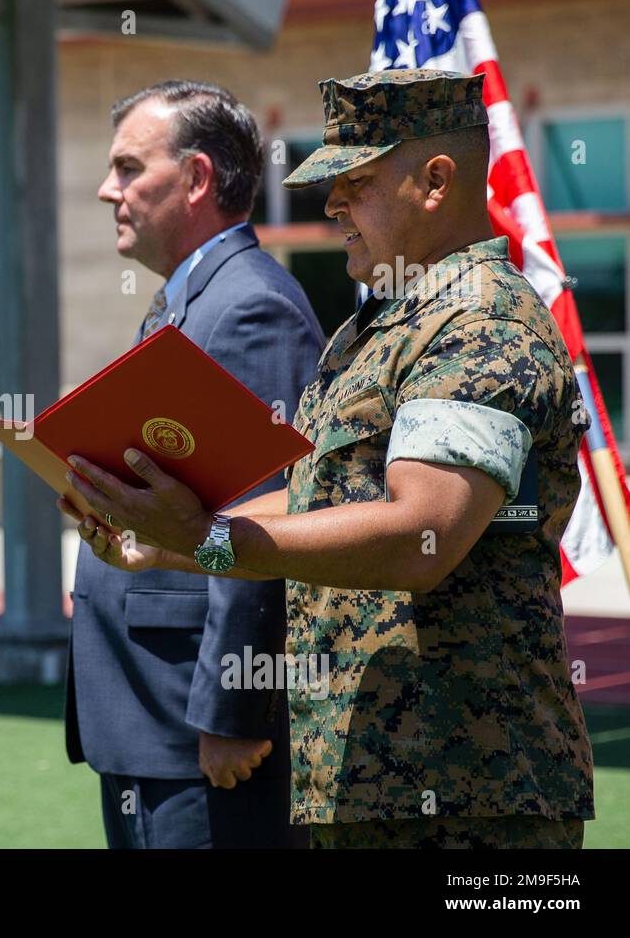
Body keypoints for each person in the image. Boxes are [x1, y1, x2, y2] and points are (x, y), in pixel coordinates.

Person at [61, 69, 595, 848]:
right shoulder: (380, 326)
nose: (332, 205)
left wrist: (213, 541)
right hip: (366, 781)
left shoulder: (482, 323)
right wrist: (182, 529)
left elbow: (423, 534)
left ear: (437, 180)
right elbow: (320, 492)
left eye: (357, 182)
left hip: (469, 795)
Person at [62, 80, 323, 848]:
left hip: (198, 734)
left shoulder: (249, 306)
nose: (107, 189)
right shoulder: (187, 300)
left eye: (129, 168)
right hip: (152, 718)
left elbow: (269, 519)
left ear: (198, 178)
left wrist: (232, 712)